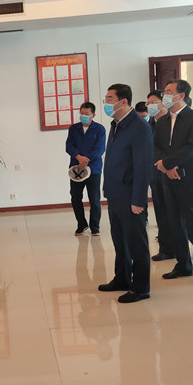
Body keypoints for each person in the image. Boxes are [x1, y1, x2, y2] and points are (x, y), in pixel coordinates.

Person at [154, 79, 193, 283]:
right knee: (175, 223)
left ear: (181, 95)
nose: (164, 95)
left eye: (169, 91)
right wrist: (166, 166)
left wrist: (168, 163)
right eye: (164, 92)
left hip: (189, 178)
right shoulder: (162, 120)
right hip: (168, 178)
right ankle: (183, 265)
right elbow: (156, 146)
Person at [97, 84, 153, 303]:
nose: (106, 103)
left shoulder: (139, 127)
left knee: (136, 243)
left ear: (123, 101)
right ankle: (122, 278)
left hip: (130, 195)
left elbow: (142, 166)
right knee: (120, 240)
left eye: (110, 99)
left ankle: (141, 287)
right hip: (115, 193)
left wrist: (139, 199)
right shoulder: (116, 124)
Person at [65, 102, 106, 236]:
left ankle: (95, 226)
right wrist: (79, 158)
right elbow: (69, 146)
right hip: (76, 168)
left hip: (93, 169)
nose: (83, 116)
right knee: (75, 197)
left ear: (93, 115)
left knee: (94, 199)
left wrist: (85, 160)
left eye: (86, 114)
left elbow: (100, 149)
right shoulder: (73, 128)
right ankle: (81, 224)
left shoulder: (99, 129)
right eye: (81, 113)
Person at [146, 91, 175, 262]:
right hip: (155, 175)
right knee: (161, 212)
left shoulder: (172, 122)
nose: (150, 105)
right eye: (148, 102)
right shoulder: (148, 124)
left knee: (174, 212)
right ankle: (166, 248)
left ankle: (180, 246)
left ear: (163, 103)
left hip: (171, 172)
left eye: (153, 102)